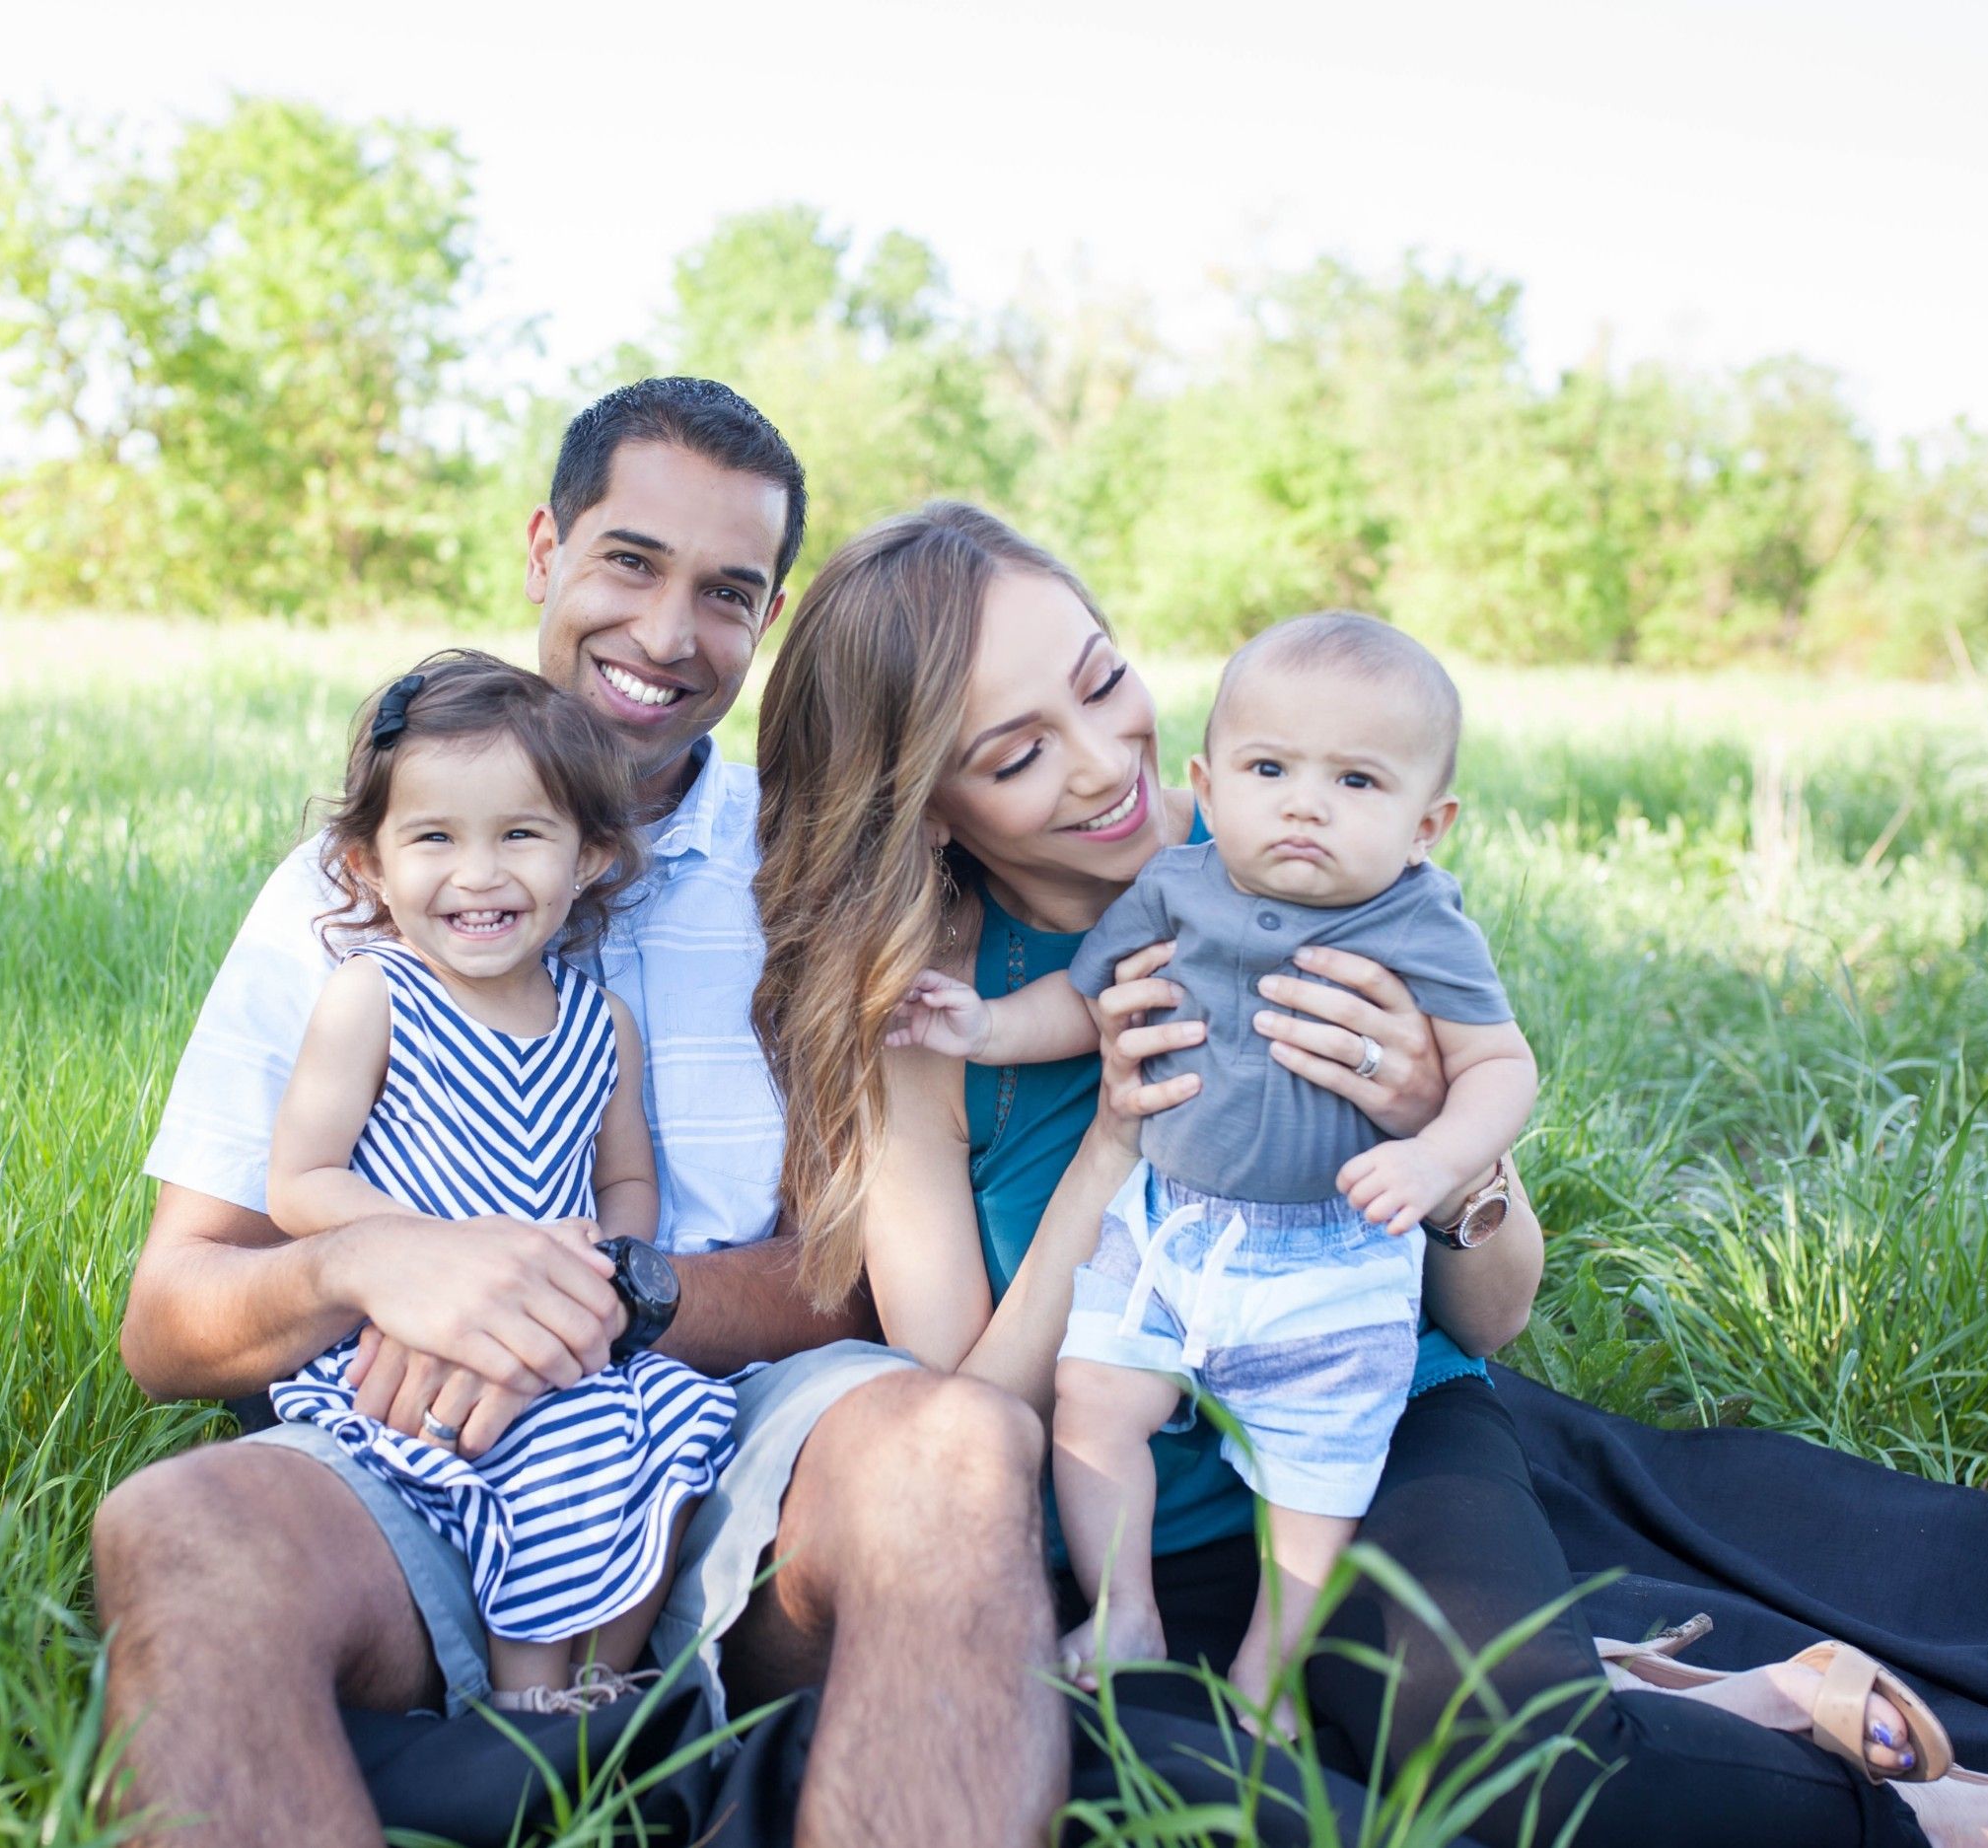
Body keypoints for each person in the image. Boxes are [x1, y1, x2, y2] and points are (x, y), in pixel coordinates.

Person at [748, 499, 1988, 1848]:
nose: (1107, 765)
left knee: (1512, 1773)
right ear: (924, 807)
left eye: (1103, 681)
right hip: (1135, 1537)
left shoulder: (1311, 839)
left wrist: (1430, 1130)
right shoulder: (930, 1023)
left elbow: (1493, 1315)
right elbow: (970, 1418)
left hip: (1378, 1423)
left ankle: (1953, 1814)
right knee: (1258, 1802)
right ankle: (1736, 1705)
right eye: (1019, 752)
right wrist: (1114, 1137)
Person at [92, 381, 1068, 1848]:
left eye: (725, 592)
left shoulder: (814, 870)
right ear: (546, 548)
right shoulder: (356, 887)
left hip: (740, 1445)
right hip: (414, 1445)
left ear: (770, 616)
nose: (669, 633)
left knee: (962, 1449)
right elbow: (170, 1322)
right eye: (630, 561)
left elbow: (867, 1269)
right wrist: (377, 1264)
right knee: (177, 1527)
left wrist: (590, 1301)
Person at [888, 611, 1537, 1721]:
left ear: (1428, 824)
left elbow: (1502, 1068)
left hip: (1327, 1260)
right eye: (1271, 770)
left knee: (1320, 1479)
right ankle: (1123, 1609)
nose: (1304, 805)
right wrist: (987, 1028)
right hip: (1174, 1236)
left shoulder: (1416, 919)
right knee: (1096, 1398)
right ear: (1213, 779)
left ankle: (1266, 1667)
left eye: (1356, 782)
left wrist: (1434, 1146)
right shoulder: (1179, 887)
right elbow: (1085, 1000)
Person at [257, 652, 738, 1715]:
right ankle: (523, 1707)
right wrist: (433, 1254)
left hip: (563, 1325)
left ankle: (603, 1679)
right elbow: (301, 1180)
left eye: (520, 835)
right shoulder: (375, 997)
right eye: (435, 838)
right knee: (549, 1458)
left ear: (589, 856)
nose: (478, 875)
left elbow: (626, 1179)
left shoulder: (601, 1024)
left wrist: (602, 1268)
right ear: (369, 864)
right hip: (423, 1334)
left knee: (675, 1431)